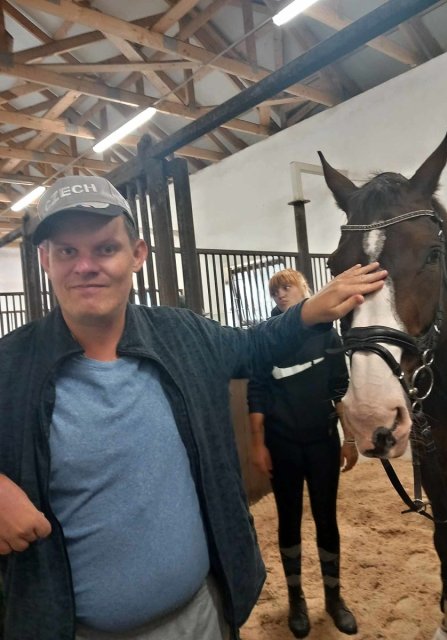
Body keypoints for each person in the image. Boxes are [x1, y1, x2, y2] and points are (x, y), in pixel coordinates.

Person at [0, 175, 387, 640]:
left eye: (105, 249)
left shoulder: (181, 336)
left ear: (137, 255)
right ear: (45, 259)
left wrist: (308, 310)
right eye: (67, 251)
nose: (86, 266)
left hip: (204, 615)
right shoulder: (10, 366)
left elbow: (252, 347)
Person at [248, 269, 358, 638]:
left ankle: (333, 598)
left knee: (327, 519)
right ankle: (296, 599)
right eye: (275, 291)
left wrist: (350, 439)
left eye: (286, 287)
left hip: (323, 440)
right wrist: (258, 443)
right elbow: (257, 391)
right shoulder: (266, 336)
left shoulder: (327, 332)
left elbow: (339, 387)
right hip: (282, 443)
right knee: (289, 519)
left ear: (303, 288)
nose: (280, 294)